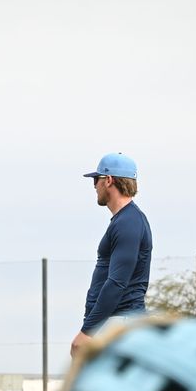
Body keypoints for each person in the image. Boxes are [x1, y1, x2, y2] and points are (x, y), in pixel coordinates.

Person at [70, 152, 153, 357]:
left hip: (121, 322)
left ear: (108, 181)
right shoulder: (124, 220)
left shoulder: (128, 222)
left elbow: (117, 282)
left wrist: (87, 331)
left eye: (96, 180)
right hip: (114, 322)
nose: (94, 186)